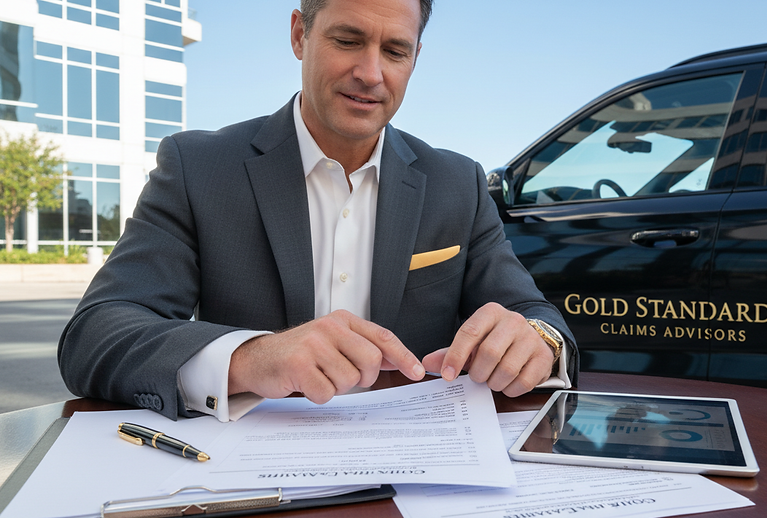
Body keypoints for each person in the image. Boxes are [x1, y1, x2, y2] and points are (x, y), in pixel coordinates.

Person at [58, 0, 578, 422]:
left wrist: (536, 343)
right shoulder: (199, 167)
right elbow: (96, 334)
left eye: (395, 50)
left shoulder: (455, 182)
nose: (370, 73)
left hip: (420, 477)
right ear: (299, 35)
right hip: (249, 483)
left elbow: (538, 318)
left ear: (415, 57)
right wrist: (251, 357)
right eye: (348, 40)